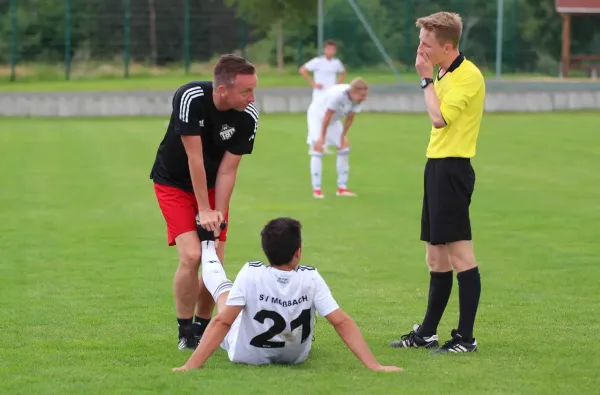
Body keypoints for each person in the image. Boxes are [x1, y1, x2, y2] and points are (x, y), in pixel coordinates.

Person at [172, 217, 403, 372]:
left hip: (246, 354)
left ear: (266, 251)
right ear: (298, 252)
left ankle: (207, 244)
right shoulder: (311, 278)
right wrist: (375, 365)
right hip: (295, 357)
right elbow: (341, 321)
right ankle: (208, 244)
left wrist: (189, 366)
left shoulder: (251, 272)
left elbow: (222, 322)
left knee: (224, 292)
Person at [389, 12, 485, 354]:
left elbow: (439, 118)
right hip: (436, 168)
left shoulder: (467, 76)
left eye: (426, 44)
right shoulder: (442, 70)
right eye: (420, 42)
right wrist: (431, 77)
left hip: (453, 171)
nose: (421, 49)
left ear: (447, 46)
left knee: (460, 256)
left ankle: (465, 338)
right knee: (435, 258)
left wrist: (425, 80)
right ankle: (427, 332)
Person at [149, 54, 260, 351]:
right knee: (191, 255)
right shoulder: (191, 97)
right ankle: (185, 331)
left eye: (254, 90)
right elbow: (193, 157)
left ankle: (203, 326)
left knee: (215, 261)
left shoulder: (248, 116)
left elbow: (227, 169)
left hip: (212, 187)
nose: (252, 98)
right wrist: (204, 210)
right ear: (223, 90)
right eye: (246, 91)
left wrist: (218, 214)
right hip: (173, 183)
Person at [306, 78, 368, 199]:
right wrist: (321, 137)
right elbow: (326, 116)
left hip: (333, 119)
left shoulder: (357, 99)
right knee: (318, 148)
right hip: (318, 116)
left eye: (365, 95)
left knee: (344, 146)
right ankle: (317, 189)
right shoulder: (339, 96)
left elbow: (350, 118)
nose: (364, 98)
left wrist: (342, 136)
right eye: (362, 95)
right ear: (354, 91)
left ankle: (342, 188)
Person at [299, 40, 347, 155]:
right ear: (324, 50)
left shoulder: (336, 63)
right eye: (328, 49)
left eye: (332, 49)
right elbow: (302, 70)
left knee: (329, 119)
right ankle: (313, 144)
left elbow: (343, 73)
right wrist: (313, 84)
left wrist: (338, 84)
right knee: (316, 118)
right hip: (319, 95)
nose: (330, 51)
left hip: (331, 95)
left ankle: (324, 143)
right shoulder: (317, 61)